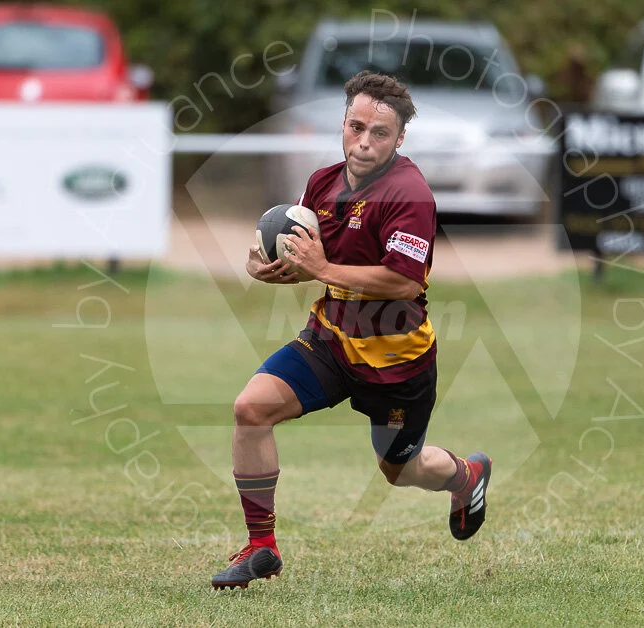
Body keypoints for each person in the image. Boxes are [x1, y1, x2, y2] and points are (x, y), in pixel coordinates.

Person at [210, 71, 493, 590]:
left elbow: (402, 282)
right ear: (343, 122)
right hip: (330, 339)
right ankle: (261, 546)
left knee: (401, 470)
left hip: (396, 363)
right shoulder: (321, 183)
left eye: (379, 133)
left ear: (400, 138)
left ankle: (466, 476)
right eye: (355, 126)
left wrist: (319, 270)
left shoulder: (410, 195)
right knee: (250, 409)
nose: (364, 141)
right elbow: (310, 258)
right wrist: (265, 265)